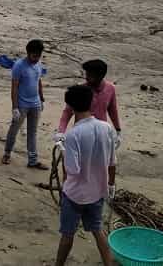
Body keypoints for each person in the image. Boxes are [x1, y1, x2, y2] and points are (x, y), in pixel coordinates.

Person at [54, 85, 116, 266]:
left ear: (71, 107)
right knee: (98, 231)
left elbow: (72, 170)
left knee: (67, 235)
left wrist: (62, 148)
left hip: (75, 195)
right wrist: (111, 184)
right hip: (97, 193)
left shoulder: (73, 135)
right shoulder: (106, 128)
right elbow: (112, 161)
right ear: (91, 102)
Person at [2, 39, 48, 169]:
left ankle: (33, 160)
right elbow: (14, 87)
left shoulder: (38, 64)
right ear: (28, 53)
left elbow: (38, 81)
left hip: (35, 103)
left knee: (32, 132)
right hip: (22, 104)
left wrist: (42, 98)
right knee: (14, 129)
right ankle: (7, 153)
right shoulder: (19, 66)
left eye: (38, 55)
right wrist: (14, 107)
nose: (36, 58)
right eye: (34, 56)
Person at [56, 60, 121, 145]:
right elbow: (67, 112)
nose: (86, 77)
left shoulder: (110, 89)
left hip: (101, 133)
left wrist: (118, 130)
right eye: (86, 74)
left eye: (90, 75)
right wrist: (61, 132)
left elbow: (113, 111)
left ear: (100, 76)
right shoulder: (80, 90)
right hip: (81, 133)